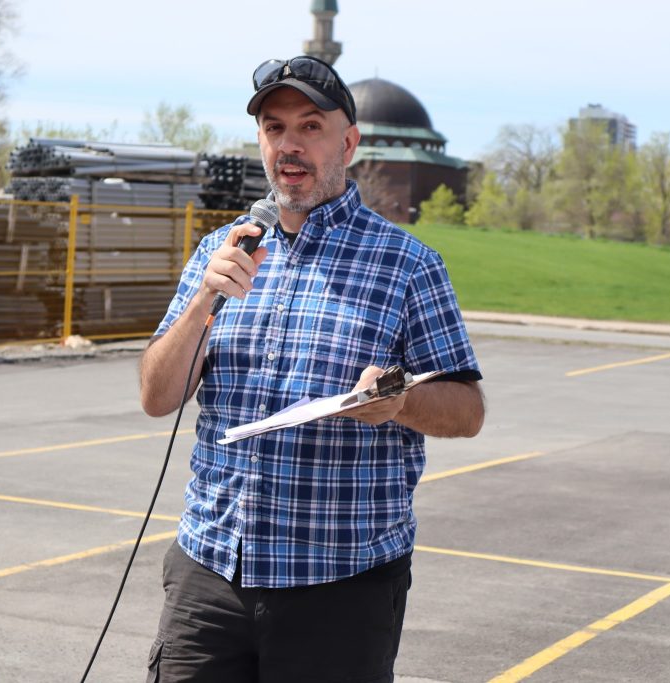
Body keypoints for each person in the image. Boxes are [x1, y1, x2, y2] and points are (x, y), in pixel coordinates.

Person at [140, 55, 485, 683]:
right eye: (274, 128)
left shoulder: (408, 265)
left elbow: (468, 410)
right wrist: (200, 304)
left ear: (348, 142)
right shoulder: (222, 251)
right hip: (211, 575)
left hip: (339, 588)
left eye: (309, 127)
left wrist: (399, 403)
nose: (289, 146)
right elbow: (157, 397)